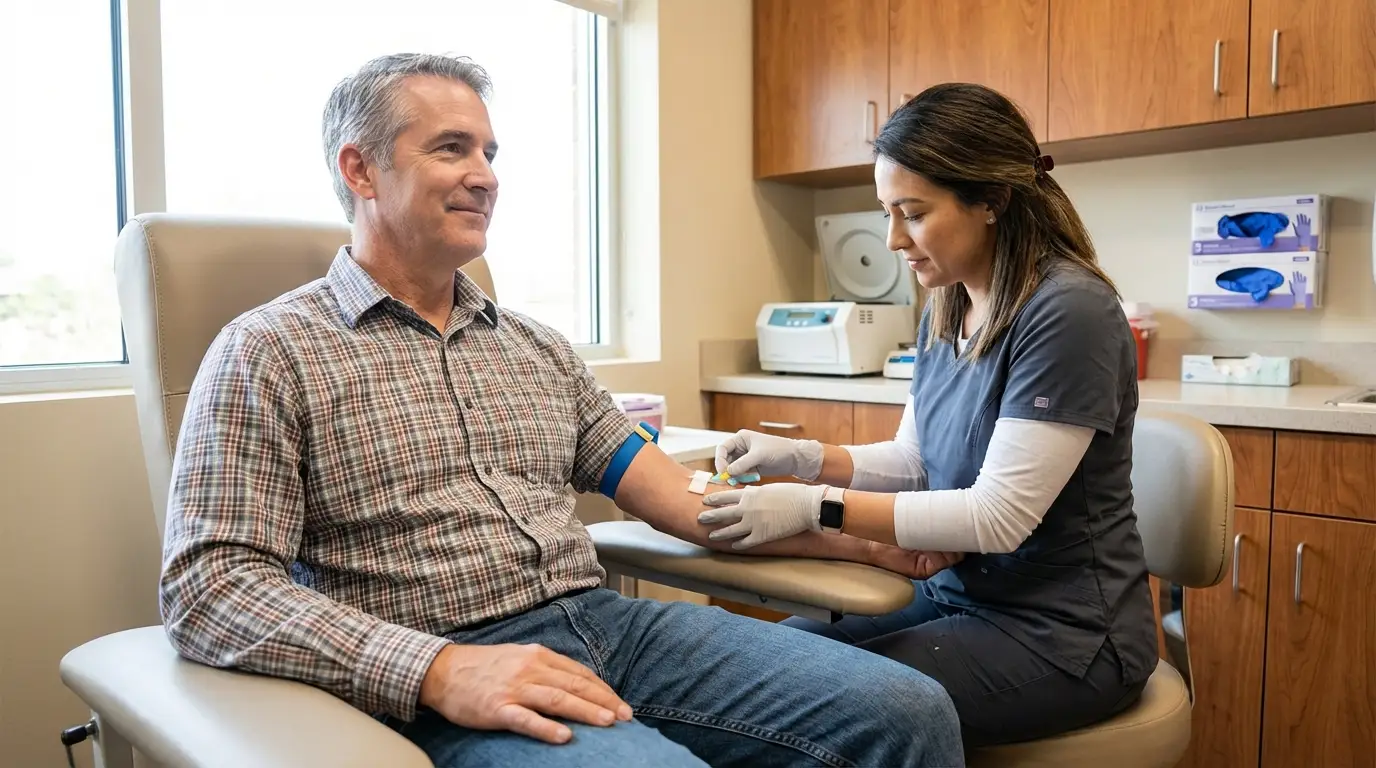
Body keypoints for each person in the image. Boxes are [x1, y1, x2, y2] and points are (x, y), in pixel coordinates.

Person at [157, 53, 966, 768]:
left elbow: (684, 502)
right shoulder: (269, 351)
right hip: (444, 661)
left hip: (606, 626)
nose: (486, 174)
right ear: (361, 170)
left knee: (907, 712)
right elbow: (210, 587)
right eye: (451, 148)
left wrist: (856, 540)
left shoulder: (536, 349)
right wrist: (437, 671)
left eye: (489, 151)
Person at [700, 83, 1158, 748]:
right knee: (772, 662)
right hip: (957, 599)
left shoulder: (1069, 312)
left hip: (1064, 636)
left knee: (808, 706)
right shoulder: (948, 304)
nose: (892, 240)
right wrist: (802, 459)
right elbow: (914, 463)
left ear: (992, 200)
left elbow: (996, 518)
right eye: (887, 213)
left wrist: (812, 505)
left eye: (911, 213)